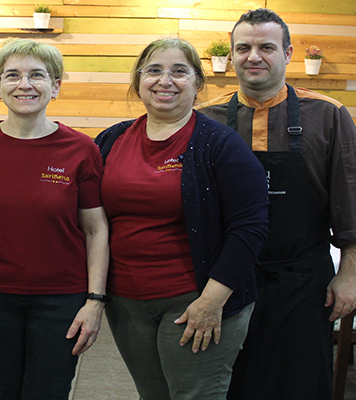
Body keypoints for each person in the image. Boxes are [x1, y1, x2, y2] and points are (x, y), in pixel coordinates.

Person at [198, 8, 356, 400]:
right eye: (243, 47)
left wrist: (350, 273)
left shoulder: (328, 114)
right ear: (231, 53)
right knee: (228, 381)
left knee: (299, 380)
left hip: (304, 279)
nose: (253, 56)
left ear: (289, 53)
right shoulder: (206, 118)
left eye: (266, 47)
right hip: (227, 278)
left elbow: (352, 198)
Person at [94, 38, 269, 400]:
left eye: (179, 71)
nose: (165, 80)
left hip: (196, 299)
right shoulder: (111, 140)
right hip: (127, 302)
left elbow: (249, 228)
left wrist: (211, 302)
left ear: (197, 83)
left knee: (195, 396)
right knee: (152, 394)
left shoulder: (220, 144)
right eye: (154, 70)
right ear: (138, 80)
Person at [0, 38, 109, 400]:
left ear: (56, 86)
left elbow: (96, 230)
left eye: (37, 75)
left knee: (48, 393)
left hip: (61, 298)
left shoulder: (81, 150)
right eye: (12, 75)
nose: (25, 84)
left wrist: (95, 301)